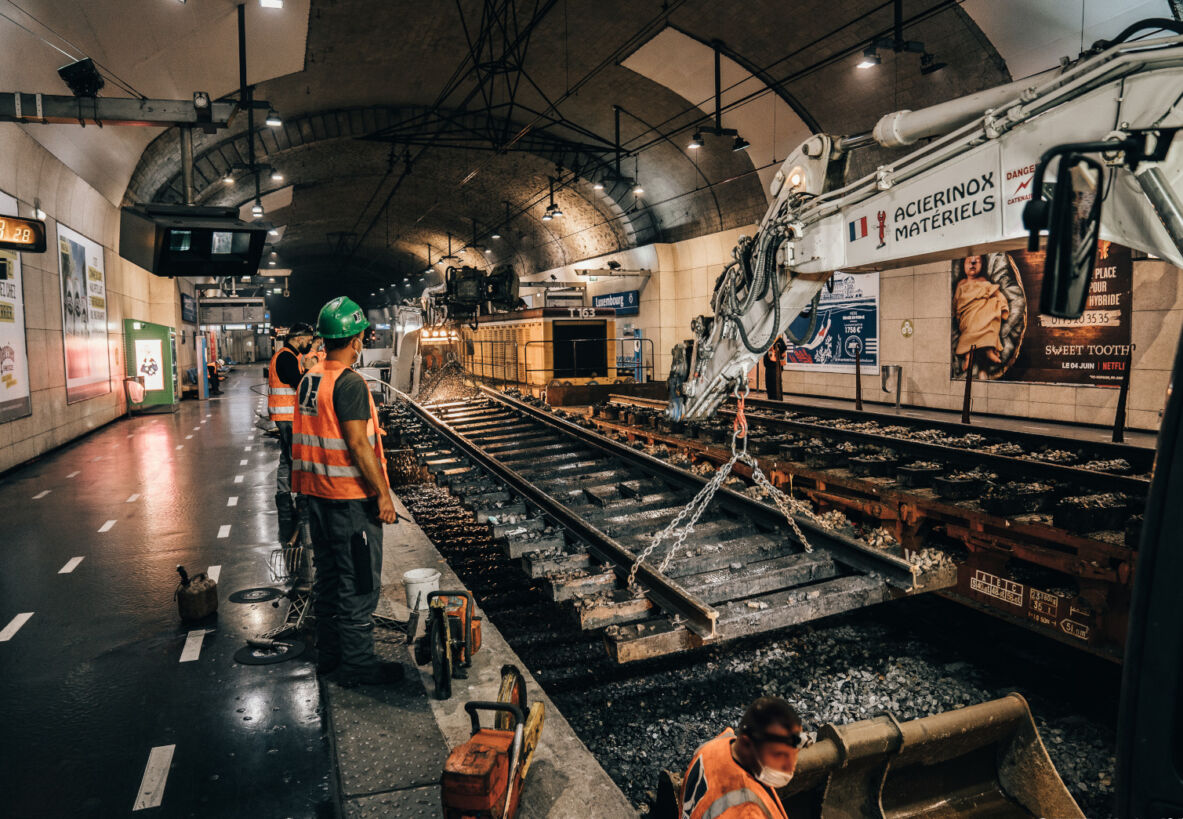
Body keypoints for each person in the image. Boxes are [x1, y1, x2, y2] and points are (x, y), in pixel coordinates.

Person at [292, 297, 403, 686]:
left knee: (328, 580)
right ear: (356, 339)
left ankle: (330, 657)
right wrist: (383, 495)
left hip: (315, 496)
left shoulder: (311, 378)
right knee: (357, 585)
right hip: (349, 502)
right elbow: (358, 445)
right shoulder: (350, 383)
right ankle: (357, 668)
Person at [679, 697, 808, 819]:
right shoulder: (746, 812)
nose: (790, 767)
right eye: (778, 754)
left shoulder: (713, 748)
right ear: (747, 744)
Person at [268, 322, 315, 545]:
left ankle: (284, 492)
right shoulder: (286, 357)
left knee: (286, 456)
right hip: (286, 416)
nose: (309, 343)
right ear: (298, 338)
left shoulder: (288, 356)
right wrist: (310, 371)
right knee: (291, 454)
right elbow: (298, 383)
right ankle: (296, 495)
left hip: (286, 415)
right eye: (308, 339)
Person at [954, 254, 1009, 370]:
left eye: (977, 261)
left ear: (982, 265)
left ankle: (989, 351)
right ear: (963, 265)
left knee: (989, 320)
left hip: (982, 315)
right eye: (969, 261)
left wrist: (1003, 306)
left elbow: (997, 294)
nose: (973, 263)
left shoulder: (983, 281)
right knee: (970, 330)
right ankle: (969, 356)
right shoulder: (962, 283)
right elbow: (956, 301)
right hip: (967, 316)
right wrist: (957, 313)